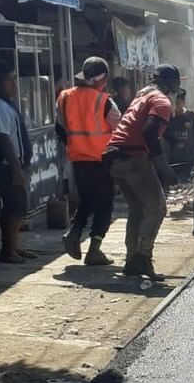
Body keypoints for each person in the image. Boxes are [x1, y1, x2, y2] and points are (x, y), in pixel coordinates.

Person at [102, 63, 180, 280]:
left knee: (138, 209)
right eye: (177, 81)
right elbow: (149, 131)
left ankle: (131, 261)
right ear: (170, 82)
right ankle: (143, 258)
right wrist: (163, 168)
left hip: (114, 157)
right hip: (133, 157)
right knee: (157, 207)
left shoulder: (143, 96)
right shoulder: (162, 101)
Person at [56, 56, 121, 266]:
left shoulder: (64, 97)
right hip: (101, 161)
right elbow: (120, 130)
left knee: (87, 200)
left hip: (78, 160)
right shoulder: (104, 101)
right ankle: (95, 249)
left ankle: (74, 233)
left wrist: (74, 144)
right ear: (102, 79)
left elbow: (60, 127)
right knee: (105, 204)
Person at [0, 61, 35, 264]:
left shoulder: (8, 105)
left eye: (14, 79)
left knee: (19, 207)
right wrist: (16, 169)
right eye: (8, 80)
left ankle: (14, 246)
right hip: (6, 165)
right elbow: (4, 139)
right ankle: (7, 251)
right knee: (14, 207)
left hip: (14, 165)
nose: (13, 84)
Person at [162, 90, 194, 181]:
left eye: (178, 103)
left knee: (190, 181)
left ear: (183, 103)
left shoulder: (190, 116)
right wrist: (174, 143)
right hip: (174, 158)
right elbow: (165, 134)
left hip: (190, 157)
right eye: (174, 104)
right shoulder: (168, 117)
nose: (176, 106)